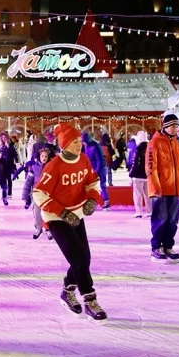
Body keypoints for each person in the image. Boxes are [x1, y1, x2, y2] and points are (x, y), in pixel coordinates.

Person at [32, 123, 107, 323]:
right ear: (64, 145)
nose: (79, 145)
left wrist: (92, 198)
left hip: (77, 214)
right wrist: (63, 213)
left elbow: (93, 181)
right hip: (56, 218)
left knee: (84, 259)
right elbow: (39, 193)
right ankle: (90, 299)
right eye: (74, 142)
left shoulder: (83, 159)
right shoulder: (54, 165)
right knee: (79, 259)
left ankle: (67, 289)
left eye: (79, 141)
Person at [146, 114, 179, 263]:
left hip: (175, 189)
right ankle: (156, 247)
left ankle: (168, 246)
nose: (175, 129)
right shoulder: (155, 142)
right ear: (165, 126)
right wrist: (155, 187)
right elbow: (151, 167)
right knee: (161, 219)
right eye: (173, 126)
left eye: (177, 126)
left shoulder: (177, 143)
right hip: (161, 190)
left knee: (172, 220)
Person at [23, 147, 52, 240]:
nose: (44, 158)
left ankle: (48, 230)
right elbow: (28, 181)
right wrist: (25, 195)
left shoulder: (51, 167)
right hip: (36, 193)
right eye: (42, 156)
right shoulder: (34, 167)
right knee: (37, 212)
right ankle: (38, 228)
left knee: (47, 213)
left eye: (46, 156)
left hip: (48, 194)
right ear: (39, 156)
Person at [82, 132, 110, 211]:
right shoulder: (87, 146)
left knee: (102, 185)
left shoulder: (95, 146)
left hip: (101, 168)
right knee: (91, 186)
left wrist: (97, 171)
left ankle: (107, 203)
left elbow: (99, 160)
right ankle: (92, 203)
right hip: (93, 169)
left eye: (84, 141)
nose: (84, 143)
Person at [129, 131, 151, 218]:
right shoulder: (150, 148)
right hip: (147, 175)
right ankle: (150, 211)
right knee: (148, 194)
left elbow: (135, 164)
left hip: (138, 176)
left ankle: (139, 212)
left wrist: (131, 174)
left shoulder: (138, 149)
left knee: (138, 194)